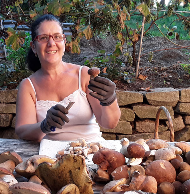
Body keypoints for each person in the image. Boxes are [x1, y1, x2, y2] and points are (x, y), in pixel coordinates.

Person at [15, 14, 121, 142]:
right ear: (33, 47)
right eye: (43, 38)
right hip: (51, 156)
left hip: (92, 151)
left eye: (57, 37)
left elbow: (109, 124)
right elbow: (23, 131)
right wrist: (44, 125)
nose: (51, 43)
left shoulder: (83, 75)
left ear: (64, 42)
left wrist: (109, 100)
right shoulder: (28, 85)